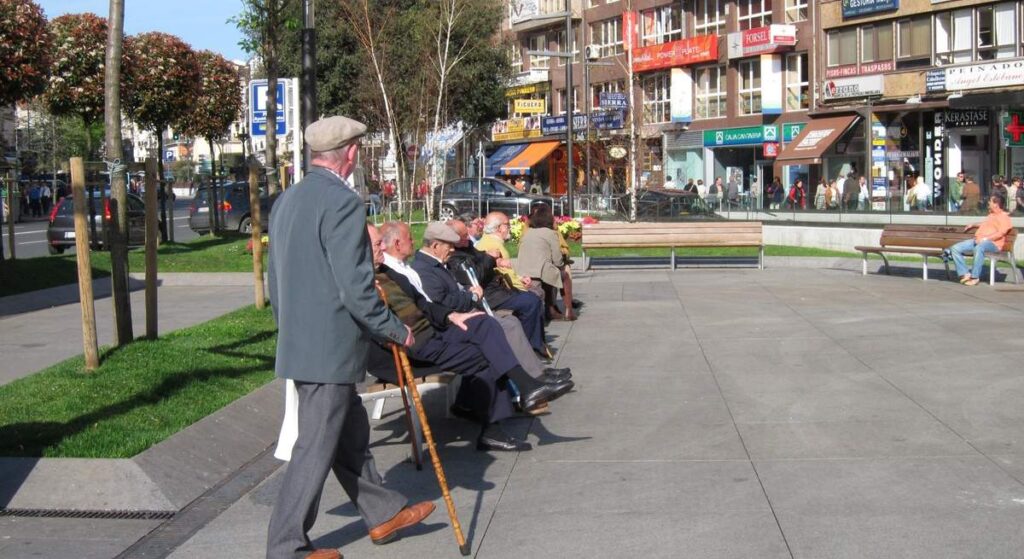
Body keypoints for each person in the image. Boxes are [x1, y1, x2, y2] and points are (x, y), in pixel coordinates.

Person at [265, 115, 435, 559]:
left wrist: (294, 330)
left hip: (305, 343)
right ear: (353, 153)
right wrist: (396, 329)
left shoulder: (287, 200)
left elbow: (275, 283)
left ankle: (381, 513)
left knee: (349, 435)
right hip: (330, 348)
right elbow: (355, 287)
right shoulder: (343, 203)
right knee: (314, 448)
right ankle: (286, 548)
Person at [375, 223, 572, 450]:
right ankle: (500, 415)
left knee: (485, 324)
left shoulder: (393, 271)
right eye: (377, 244)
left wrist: (451, 315)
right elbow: (387, 318)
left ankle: (526, 387)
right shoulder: (379, 277)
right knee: (486, 352)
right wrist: (453, 311)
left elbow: (424, 305)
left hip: (431, 330)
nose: (382, 247)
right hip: (411, 347)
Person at [446, 219, 548, 357]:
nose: (467, 238)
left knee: (532, 299)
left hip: (496, 288)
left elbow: (482, 258)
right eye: (463, 236)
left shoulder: (467, 246)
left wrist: (495, 260)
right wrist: (489, 257)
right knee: (530, 302)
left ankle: (533, 345)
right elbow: (476, 276)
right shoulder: (454, 257)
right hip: (487, 295)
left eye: (466, 234)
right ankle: (532, 348)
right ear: (452, 238)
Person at [518, 205, 575, 321]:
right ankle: (569, 311)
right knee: (564, 275)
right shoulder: (551, 233)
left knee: (551, 274)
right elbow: (558, 261)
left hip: (522, 271)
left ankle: (551, 309)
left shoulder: (528, 232)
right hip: (540, 272)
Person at [949, 194, 1012, 286]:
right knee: (955, 248)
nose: (988, 202)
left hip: (993, 244)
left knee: (979, 247)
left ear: (996, 204)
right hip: (978, 240)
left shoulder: (1004, 217)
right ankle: (965, 273)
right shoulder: (992, 215)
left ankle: (975, 277)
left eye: (990, 201)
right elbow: (986, 224)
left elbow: (1001, 233)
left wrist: (985, 239)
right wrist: (973, 224)